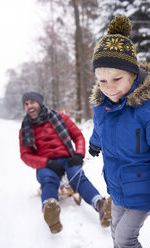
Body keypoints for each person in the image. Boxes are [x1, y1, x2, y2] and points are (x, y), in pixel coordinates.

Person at [88, 16, 150, 247]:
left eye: (116, 79)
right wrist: (95, 142)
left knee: (125, 237)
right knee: (115, 231)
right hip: (118, 186)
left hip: (145, 190)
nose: (109, 87)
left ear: (133, 74)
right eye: (102, 81)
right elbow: (101, 127)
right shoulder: (103, 104)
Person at [19, 91, 112, 234]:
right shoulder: (25, 128)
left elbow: (78, 136)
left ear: (39, 103)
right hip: (46, 164)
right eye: (26, 104)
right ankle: (50, 210)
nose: (29, 106)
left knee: (78, 176)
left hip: (68, 158)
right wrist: (46, 162)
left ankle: (100, 205)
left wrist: (79, 154)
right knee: (49, 179)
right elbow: (25, 155)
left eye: (32, 102)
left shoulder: (59, 117)